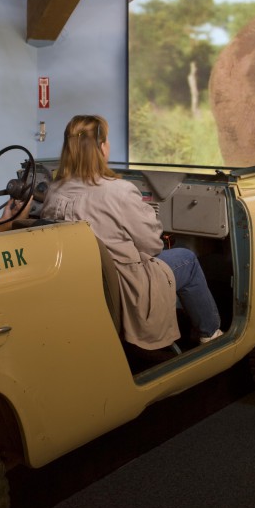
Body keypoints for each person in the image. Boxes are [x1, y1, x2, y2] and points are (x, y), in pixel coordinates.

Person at [40, 114, 224, 349]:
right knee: (186, 258)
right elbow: (153, 245)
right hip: (125, 286)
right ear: (101, 147)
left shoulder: (54, 191)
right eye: (106, 140)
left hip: (82, 284)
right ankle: (211, 333)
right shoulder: (119, 191)